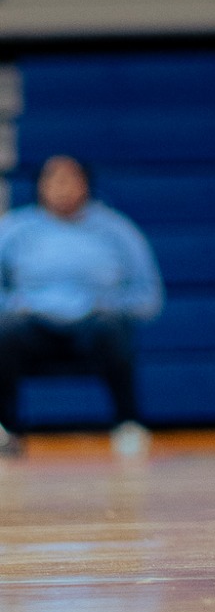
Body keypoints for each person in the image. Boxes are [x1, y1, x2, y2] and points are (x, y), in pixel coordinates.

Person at [0, 155, 164, 457]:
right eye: (54, 180)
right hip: (32, 325)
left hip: (93, 325)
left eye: (71, 179)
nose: (62, 188)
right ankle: (6, 429)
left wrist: (110, 306)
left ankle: (128, 424)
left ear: (86, 184)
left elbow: (147, 295)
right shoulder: (14, 228)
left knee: (113, 328)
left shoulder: (116, 230)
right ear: (40, 186)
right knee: (5, 330)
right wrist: (13, 305)